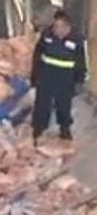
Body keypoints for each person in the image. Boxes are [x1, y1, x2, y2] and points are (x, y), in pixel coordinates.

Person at [30, 9, 87, 145]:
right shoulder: (47, 36)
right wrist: (35, 75)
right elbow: (38, 55)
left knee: (64, 106)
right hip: (46, 77)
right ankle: (39, 131)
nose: (56, 30)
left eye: (60, 27)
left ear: (67, 26)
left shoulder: (77, 40)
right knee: (42, 105)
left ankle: (65, 130)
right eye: (55, 26)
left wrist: (79, 80)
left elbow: (81, 62)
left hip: (65, 80)